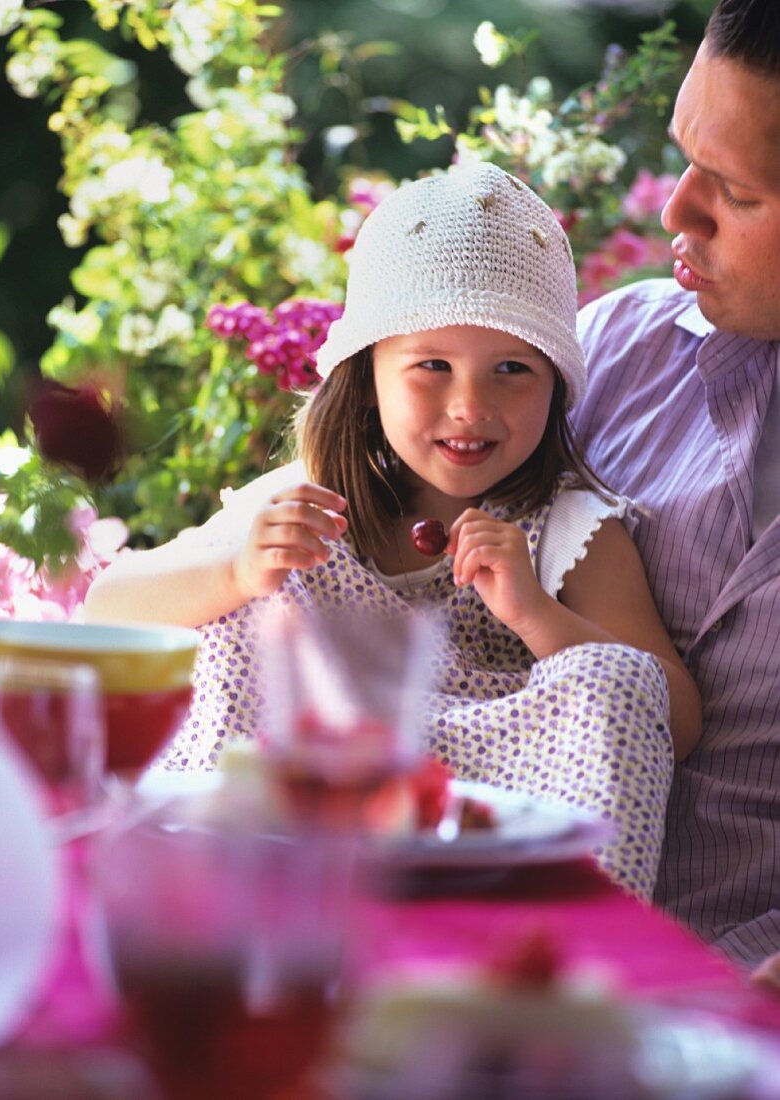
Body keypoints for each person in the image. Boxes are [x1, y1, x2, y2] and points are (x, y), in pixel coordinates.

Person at [86, 161, 701, 899]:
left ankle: (558, 925)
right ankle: (226, 888)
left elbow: (672, 713)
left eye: (512, 369)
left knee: (614, 674)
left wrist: (537, 616)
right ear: (368, 375)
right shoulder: (309, 498)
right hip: (319, 789)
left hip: (496, 804)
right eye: (432, 366)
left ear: (557, 383)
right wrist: (237, 572)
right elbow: (107, 609)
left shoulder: (571, 529)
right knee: (259, 603)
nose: (471, 405)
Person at [573, 0, 780, 965]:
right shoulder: (612, 351)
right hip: (505, 958)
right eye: (684, 158)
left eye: (735, 193)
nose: (674, 212)